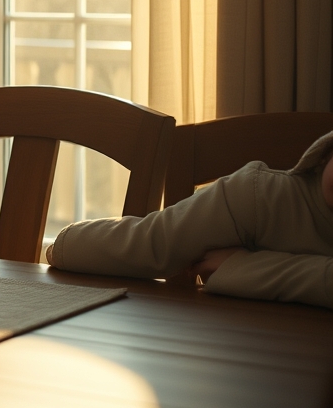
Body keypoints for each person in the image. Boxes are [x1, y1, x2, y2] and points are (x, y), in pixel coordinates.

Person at [46, 131, 333, 309]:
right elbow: (151, 244)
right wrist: (63, 247)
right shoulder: (258, 197)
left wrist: (238, 269)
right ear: (326, 152)